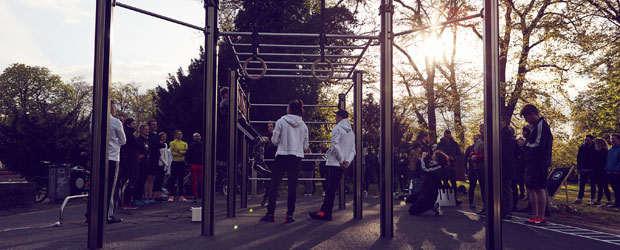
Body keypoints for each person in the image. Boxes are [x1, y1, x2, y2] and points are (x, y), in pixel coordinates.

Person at [261, 99, 309, 223]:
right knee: (292, 187)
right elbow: (305, 146)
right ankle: (289, 215)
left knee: (274, 185)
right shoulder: (303, 125)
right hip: (296, 158)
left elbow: (275, 141)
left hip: (282, 155)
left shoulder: (281, 121)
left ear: (290, 109)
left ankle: (270, 214)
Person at [309, 109, 355, 221]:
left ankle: (325, 212)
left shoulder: (337, 128)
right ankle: (325, 211)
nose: (335, 119)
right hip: (343, 164)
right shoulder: (351, 133)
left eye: (336, 116)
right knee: (332, 188)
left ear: (339, 117)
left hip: (334, 162)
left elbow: (334, 145)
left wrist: (340, 160)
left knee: (329, 188)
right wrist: (347, 161)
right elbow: (353, 150)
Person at [521, 104, 553, 224]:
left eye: (526, 117)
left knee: (539, 187)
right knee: (531, 187)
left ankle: (541, 215)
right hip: (532, 161)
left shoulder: (541, 125)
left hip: (539, 161)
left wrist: (525, 145)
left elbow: (539, 144)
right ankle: (534, 215)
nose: (526, 120)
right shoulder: (534, 127)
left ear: (532, 114)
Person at [408, 150, 449, 216]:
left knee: (412, 211)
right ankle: (432, 206)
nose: (432, 156)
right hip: (426, 189)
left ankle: (433, 206)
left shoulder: (439, 167)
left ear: (438, 158)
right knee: (410, 200)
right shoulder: (435, 164)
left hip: (430, 192)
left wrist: (422, 158)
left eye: (434, 155)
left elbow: (425, 169)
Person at [107, 100, 126, 223]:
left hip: (98, 158)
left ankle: (90, 214)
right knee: (110, 187)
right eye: (113, 107)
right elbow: (123, 140)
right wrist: (114, 144)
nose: (114, 109)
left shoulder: (93, 119)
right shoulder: (115, 122)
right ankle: (107, 214)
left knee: (95, 186)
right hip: (112, 157)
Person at [436, 130, 462, 203]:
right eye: (445, 136)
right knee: (444, 182)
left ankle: (454, 199)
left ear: (450, 135)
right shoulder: (440, 144)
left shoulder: (455, 144)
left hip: (453, 166)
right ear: (443, 135)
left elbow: (459, 155)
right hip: (443, 166)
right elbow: (437, 154)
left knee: (454, 183)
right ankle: (445, 199)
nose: (446, 137)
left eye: (448, 136)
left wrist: (453, 157)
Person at [120, 118, 140, 209]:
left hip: (128, 158)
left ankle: (125, 201)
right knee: (132, 179)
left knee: (128, 180)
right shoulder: (128, 135)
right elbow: (137, 145)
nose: (135, 125)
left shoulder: (129, 134)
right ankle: (126, 202)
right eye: (133, 124)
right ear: (128, 125)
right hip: (130, 159)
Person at [500, 116, 516, 219]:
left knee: (506, 188)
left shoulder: (507, 133)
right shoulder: (499, 132)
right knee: (501, 188)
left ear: (503, 122)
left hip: (506, 164)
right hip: (500, 164)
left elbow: (507, 150)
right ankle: (501, 210)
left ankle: (507, 210)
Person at [574, 135, 597, 204]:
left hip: (591, 169)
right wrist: (579, 167)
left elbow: (596, 159)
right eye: (585, 140)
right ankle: (579, 199)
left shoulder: (594, 148)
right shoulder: (581, 147)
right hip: (582, 169)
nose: (586, 141)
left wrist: (594, 168)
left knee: (592, 185)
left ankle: (592, 199)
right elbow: (578, 158)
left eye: (588, 140)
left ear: (591, 140)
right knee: (581, 184)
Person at [136, 124, 156, 205]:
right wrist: (138, 156)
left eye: (148, 129)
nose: (147, 131)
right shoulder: (138, 139)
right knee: (139, 180)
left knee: (144, 180)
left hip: (146, 162)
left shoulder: (148, 140)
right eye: (145, 129)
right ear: (141, 131)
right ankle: (136, 198)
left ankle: (142, 198)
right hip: (140, 163)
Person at [260, 122, 277, 206]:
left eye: (271, 126)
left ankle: (266, 198)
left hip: (274, 161)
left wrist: (269, 141)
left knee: (270, 181)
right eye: (268, 126)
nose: (270, 128)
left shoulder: (276, 135)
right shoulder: (265, 135)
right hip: (266, 161)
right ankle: (267, 197)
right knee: (267, 181)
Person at [168, 130, 188, 202]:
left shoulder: (184, 143)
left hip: (181, 162)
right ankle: (171, 195)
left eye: (181, 134)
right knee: (173, 179)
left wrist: (179, 151)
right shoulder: (172, 143)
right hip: (175, 162)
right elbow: (173, 153)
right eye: (178, 134)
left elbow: (186, 152)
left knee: (181, 179)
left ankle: (181, 195)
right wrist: (181, 152)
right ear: (175, 135)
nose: (180, 135)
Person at [471, 124, 485, 215]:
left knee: (486, 188)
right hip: (477, 167)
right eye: (480, 129)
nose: (480, 131)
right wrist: (472, 155)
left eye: (482, 129)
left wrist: (479, 156)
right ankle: (485, 206)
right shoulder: (479, 141)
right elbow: (473, 149)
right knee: (482, 188)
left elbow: (489, 151)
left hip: (484, 166)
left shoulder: (490, 139)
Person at [593, 138, 612, 206]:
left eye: (595, 143)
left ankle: (609, 201)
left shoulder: (604, 151)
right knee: (600, 186)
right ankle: (599, 200)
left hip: (602, 171)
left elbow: (602, 162)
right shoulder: (599, 151)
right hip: (599, 171)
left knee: (604, 186)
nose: (594, 145)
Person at [186, 133, 204, 203]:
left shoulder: (203, 145)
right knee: (194, 181)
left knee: (202, 181)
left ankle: (202, 194)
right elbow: (188, 155)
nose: (198, 138)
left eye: (199, 136)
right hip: (194, 165)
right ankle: (195, 195)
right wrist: (190, 163)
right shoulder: (191, 146)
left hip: (201, 164)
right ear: (193, 138)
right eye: (196, 136)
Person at [464, 134, 480, 209]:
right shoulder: (470, 148)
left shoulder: (482, 148)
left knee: (483, 187)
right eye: (474, 138)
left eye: (477, 138)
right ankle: (471, 202)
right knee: (472, 186)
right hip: (472, 170)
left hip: (480, 170)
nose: (475, 140)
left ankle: (485, 204)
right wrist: (465, 169)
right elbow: (464, 159)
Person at [605, 134, 620, 208]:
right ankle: (617, 203)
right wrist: (606, 169)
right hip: (610, 172)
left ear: (618, 139)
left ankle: (618, 203)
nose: (612, 140)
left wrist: (617, 169)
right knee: (614, 188)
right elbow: (608, 161)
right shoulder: (610, 150)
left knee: (618, 188)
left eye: (614, 139)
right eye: (611, 139)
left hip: (617, 172)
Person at [155, 132, 171, 201]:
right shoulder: (159, 144)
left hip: (164, 165)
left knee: (161, 181)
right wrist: (165, 163)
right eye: (163, 137)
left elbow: (166, 155)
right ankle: (156, 196)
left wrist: (167, 165)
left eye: (165, 136)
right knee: (157, 180)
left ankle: (160, 195)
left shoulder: (165, 144)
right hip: (160, 164)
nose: (165, 138)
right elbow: (160, 155)